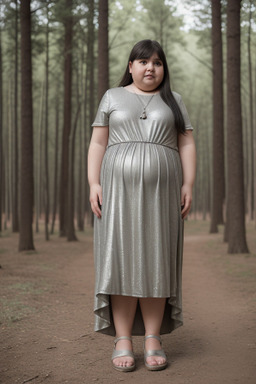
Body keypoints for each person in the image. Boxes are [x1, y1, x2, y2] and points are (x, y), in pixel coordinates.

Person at [88, 39, 196, 372]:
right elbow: (98, 141)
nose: (150, 68)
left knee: (156, 260)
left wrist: (188, 183)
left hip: (163, 196)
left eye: (157, 62)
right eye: (143, 61)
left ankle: (152, 338)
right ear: (131, 66)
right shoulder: (112, 96)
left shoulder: (173, 101)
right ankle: (123, 339)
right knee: (119, 260)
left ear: (164, 69)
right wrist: (93, 183)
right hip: (117, 193)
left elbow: (186, 143)